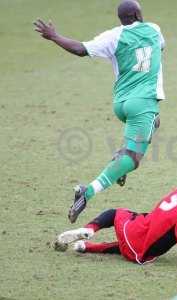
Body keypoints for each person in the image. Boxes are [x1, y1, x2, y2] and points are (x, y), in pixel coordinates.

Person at [33, 0, 166, 223]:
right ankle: (88, 191)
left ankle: (121, 158)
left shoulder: (113, 36)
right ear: (136, 13)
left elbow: (79, 49)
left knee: (153, 123)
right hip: (143, 103)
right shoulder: (154, 29)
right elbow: (159, 47)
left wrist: (54, 36)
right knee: (132, 159)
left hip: (121, 103)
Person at [54, 176, 177, 264]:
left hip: (139, 227)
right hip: (141, 251)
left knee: (116, 213)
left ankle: (89, 233)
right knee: (129, 248)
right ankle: (87, 243)